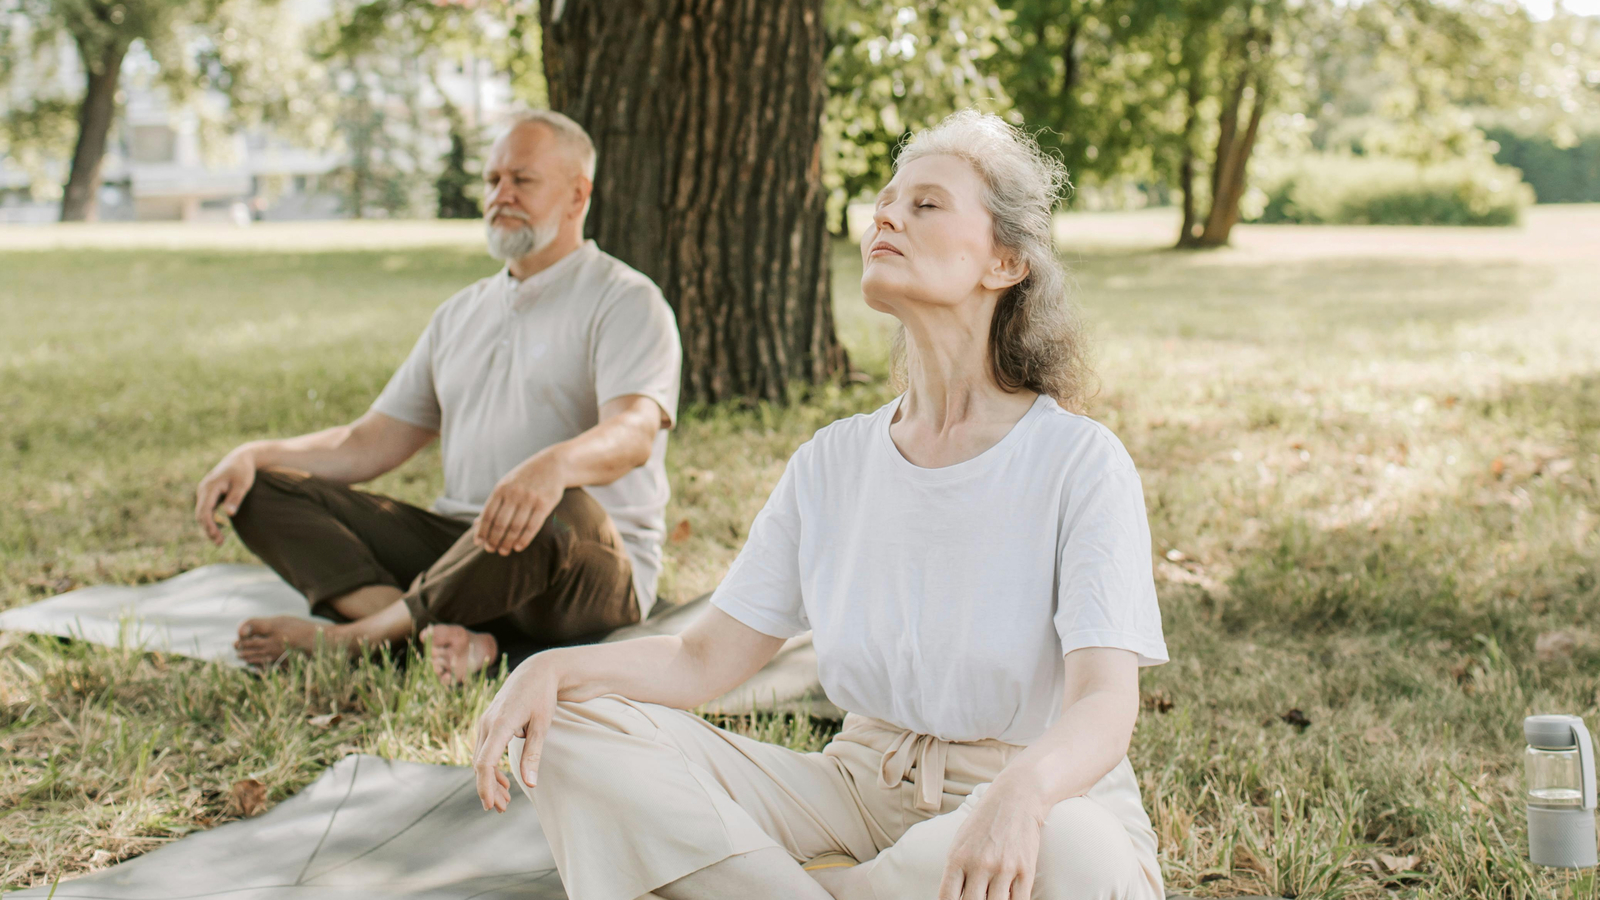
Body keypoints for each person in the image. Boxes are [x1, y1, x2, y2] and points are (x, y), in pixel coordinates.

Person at [469, 109, 1170, 900]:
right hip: (849, 794)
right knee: (572, 724)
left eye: (926, 204)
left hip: (1018, 799)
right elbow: (701, 661)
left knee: (1075, 849)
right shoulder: (833, 460)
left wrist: (1022, 794)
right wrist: (554, 669)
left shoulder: (1078, 461)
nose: (887, 215)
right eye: (886, 201)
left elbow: (1106, 704)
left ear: (1005, 261)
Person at [192, 110, 683, 682]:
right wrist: (253, 455)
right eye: (492, 180)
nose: (502, 194)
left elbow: (634, 433)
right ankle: (442, 639)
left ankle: (360, 639)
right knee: (265, 488)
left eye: (522, 180)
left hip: (579, 562)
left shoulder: (626, 300)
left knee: (557, 507)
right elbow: (368, 442)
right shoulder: (460, 313)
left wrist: (553, 466)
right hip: (462, 547)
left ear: (578, 195)